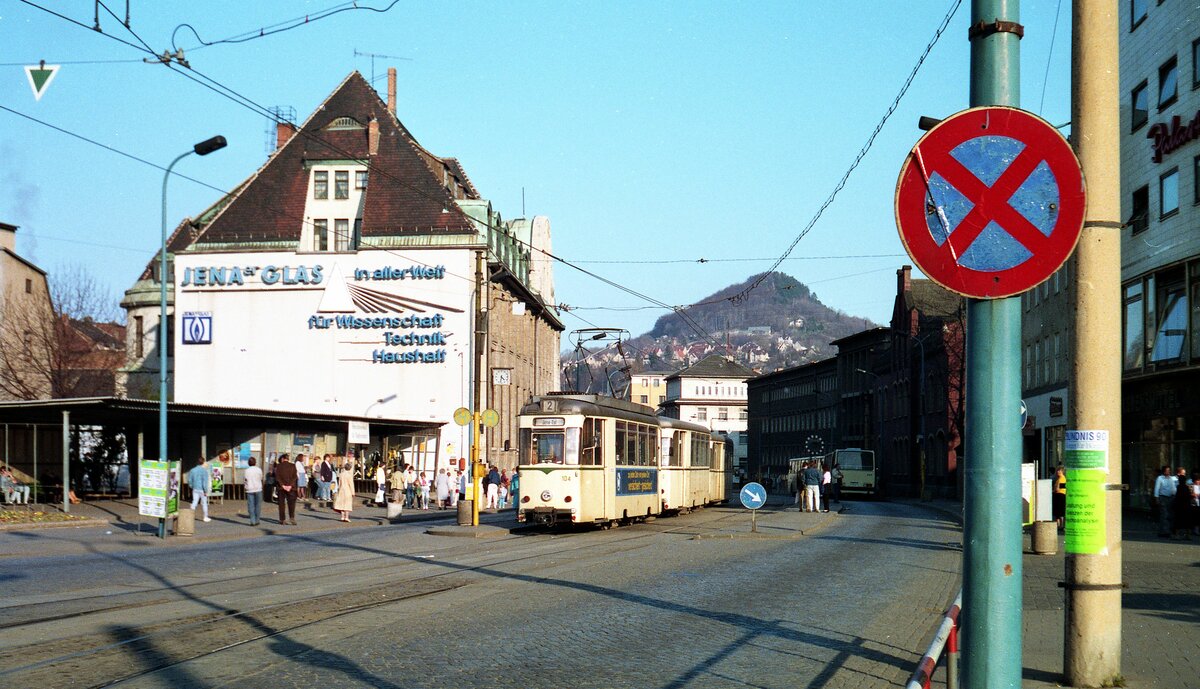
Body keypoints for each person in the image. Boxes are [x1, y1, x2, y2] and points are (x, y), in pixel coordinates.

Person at [274, 453, 298, 525]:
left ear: (282, 459)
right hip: (291, 488)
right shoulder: (293, 466)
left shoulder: (278, 466)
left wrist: (283, 485)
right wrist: (290, 485)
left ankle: (282, 519)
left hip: (281, 488)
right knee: (291, 503)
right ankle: (292, 517)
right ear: (288, 459)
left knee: (281, 504)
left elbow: (277, 477)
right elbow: (295, 477)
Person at [187, 458, 212, 522]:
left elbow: (189, 480)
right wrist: (205, 491)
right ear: (203, 463)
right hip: (202, 490)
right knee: (204, 503)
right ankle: (205, 517)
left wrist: (191, 486)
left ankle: (190, 516)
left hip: (195, 488)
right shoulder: (204, 471)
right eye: (205, 462)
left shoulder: (192, 470)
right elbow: (204, 482)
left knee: (194, 502)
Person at [1154, 465, 1177, 537]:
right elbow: (1157, 488)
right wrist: (1156, 498)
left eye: (1169, 470)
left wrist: (1175, 494)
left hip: (1171, 498)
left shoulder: (1171, 478)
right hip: (1163, 497)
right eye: (1167, 470)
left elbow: (1173, 487)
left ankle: (1168, 530)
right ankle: (1163, 531)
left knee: (1170, 515)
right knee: (1164, 514)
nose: (1168, 472)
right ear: (1164, 471)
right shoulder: (1160, 478)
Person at [243, 457, 264, 526]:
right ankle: (257, 520)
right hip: (258, 488)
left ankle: (252, 520)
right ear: (255, 462)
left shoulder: (246, 470)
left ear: (249, 463)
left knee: (251, 506)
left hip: (250, 489)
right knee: (258, 505)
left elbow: (245, 480)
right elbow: (261, 478)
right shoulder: (259, 470)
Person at [1053, 465, 1067, 531]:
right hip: (1058, 496)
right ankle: (1058, 525)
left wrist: (1054, 489)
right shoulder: (1058, 479)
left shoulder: (1062, 479)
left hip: (1061, 496)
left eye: (1059, 470)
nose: (1058, 472)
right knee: (1058, 512)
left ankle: (1061, 525)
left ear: (1062, 471)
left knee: (1060, 512)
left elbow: (1058, 489)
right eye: (1057, 470)